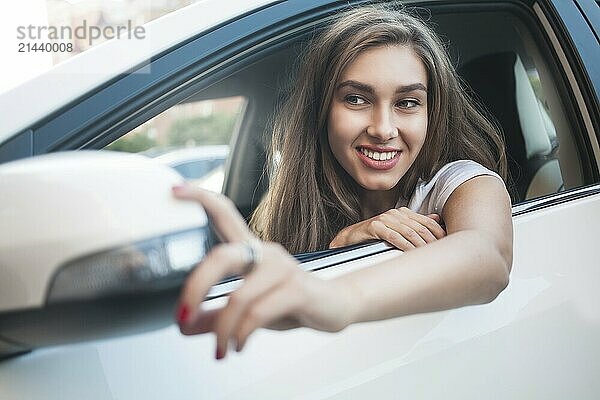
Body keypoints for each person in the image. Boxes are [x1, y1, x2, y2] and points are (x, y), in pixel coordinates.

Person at [172, 5, 513, 361]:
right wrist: (340, 244)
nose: (383, 129)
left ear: (432, 113)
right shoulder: (294, 208)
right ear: (322, 111)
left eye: (408, 102)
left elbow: (489, 256)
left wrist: (335, 297)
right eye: (355, 99)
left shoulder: (457, 183)